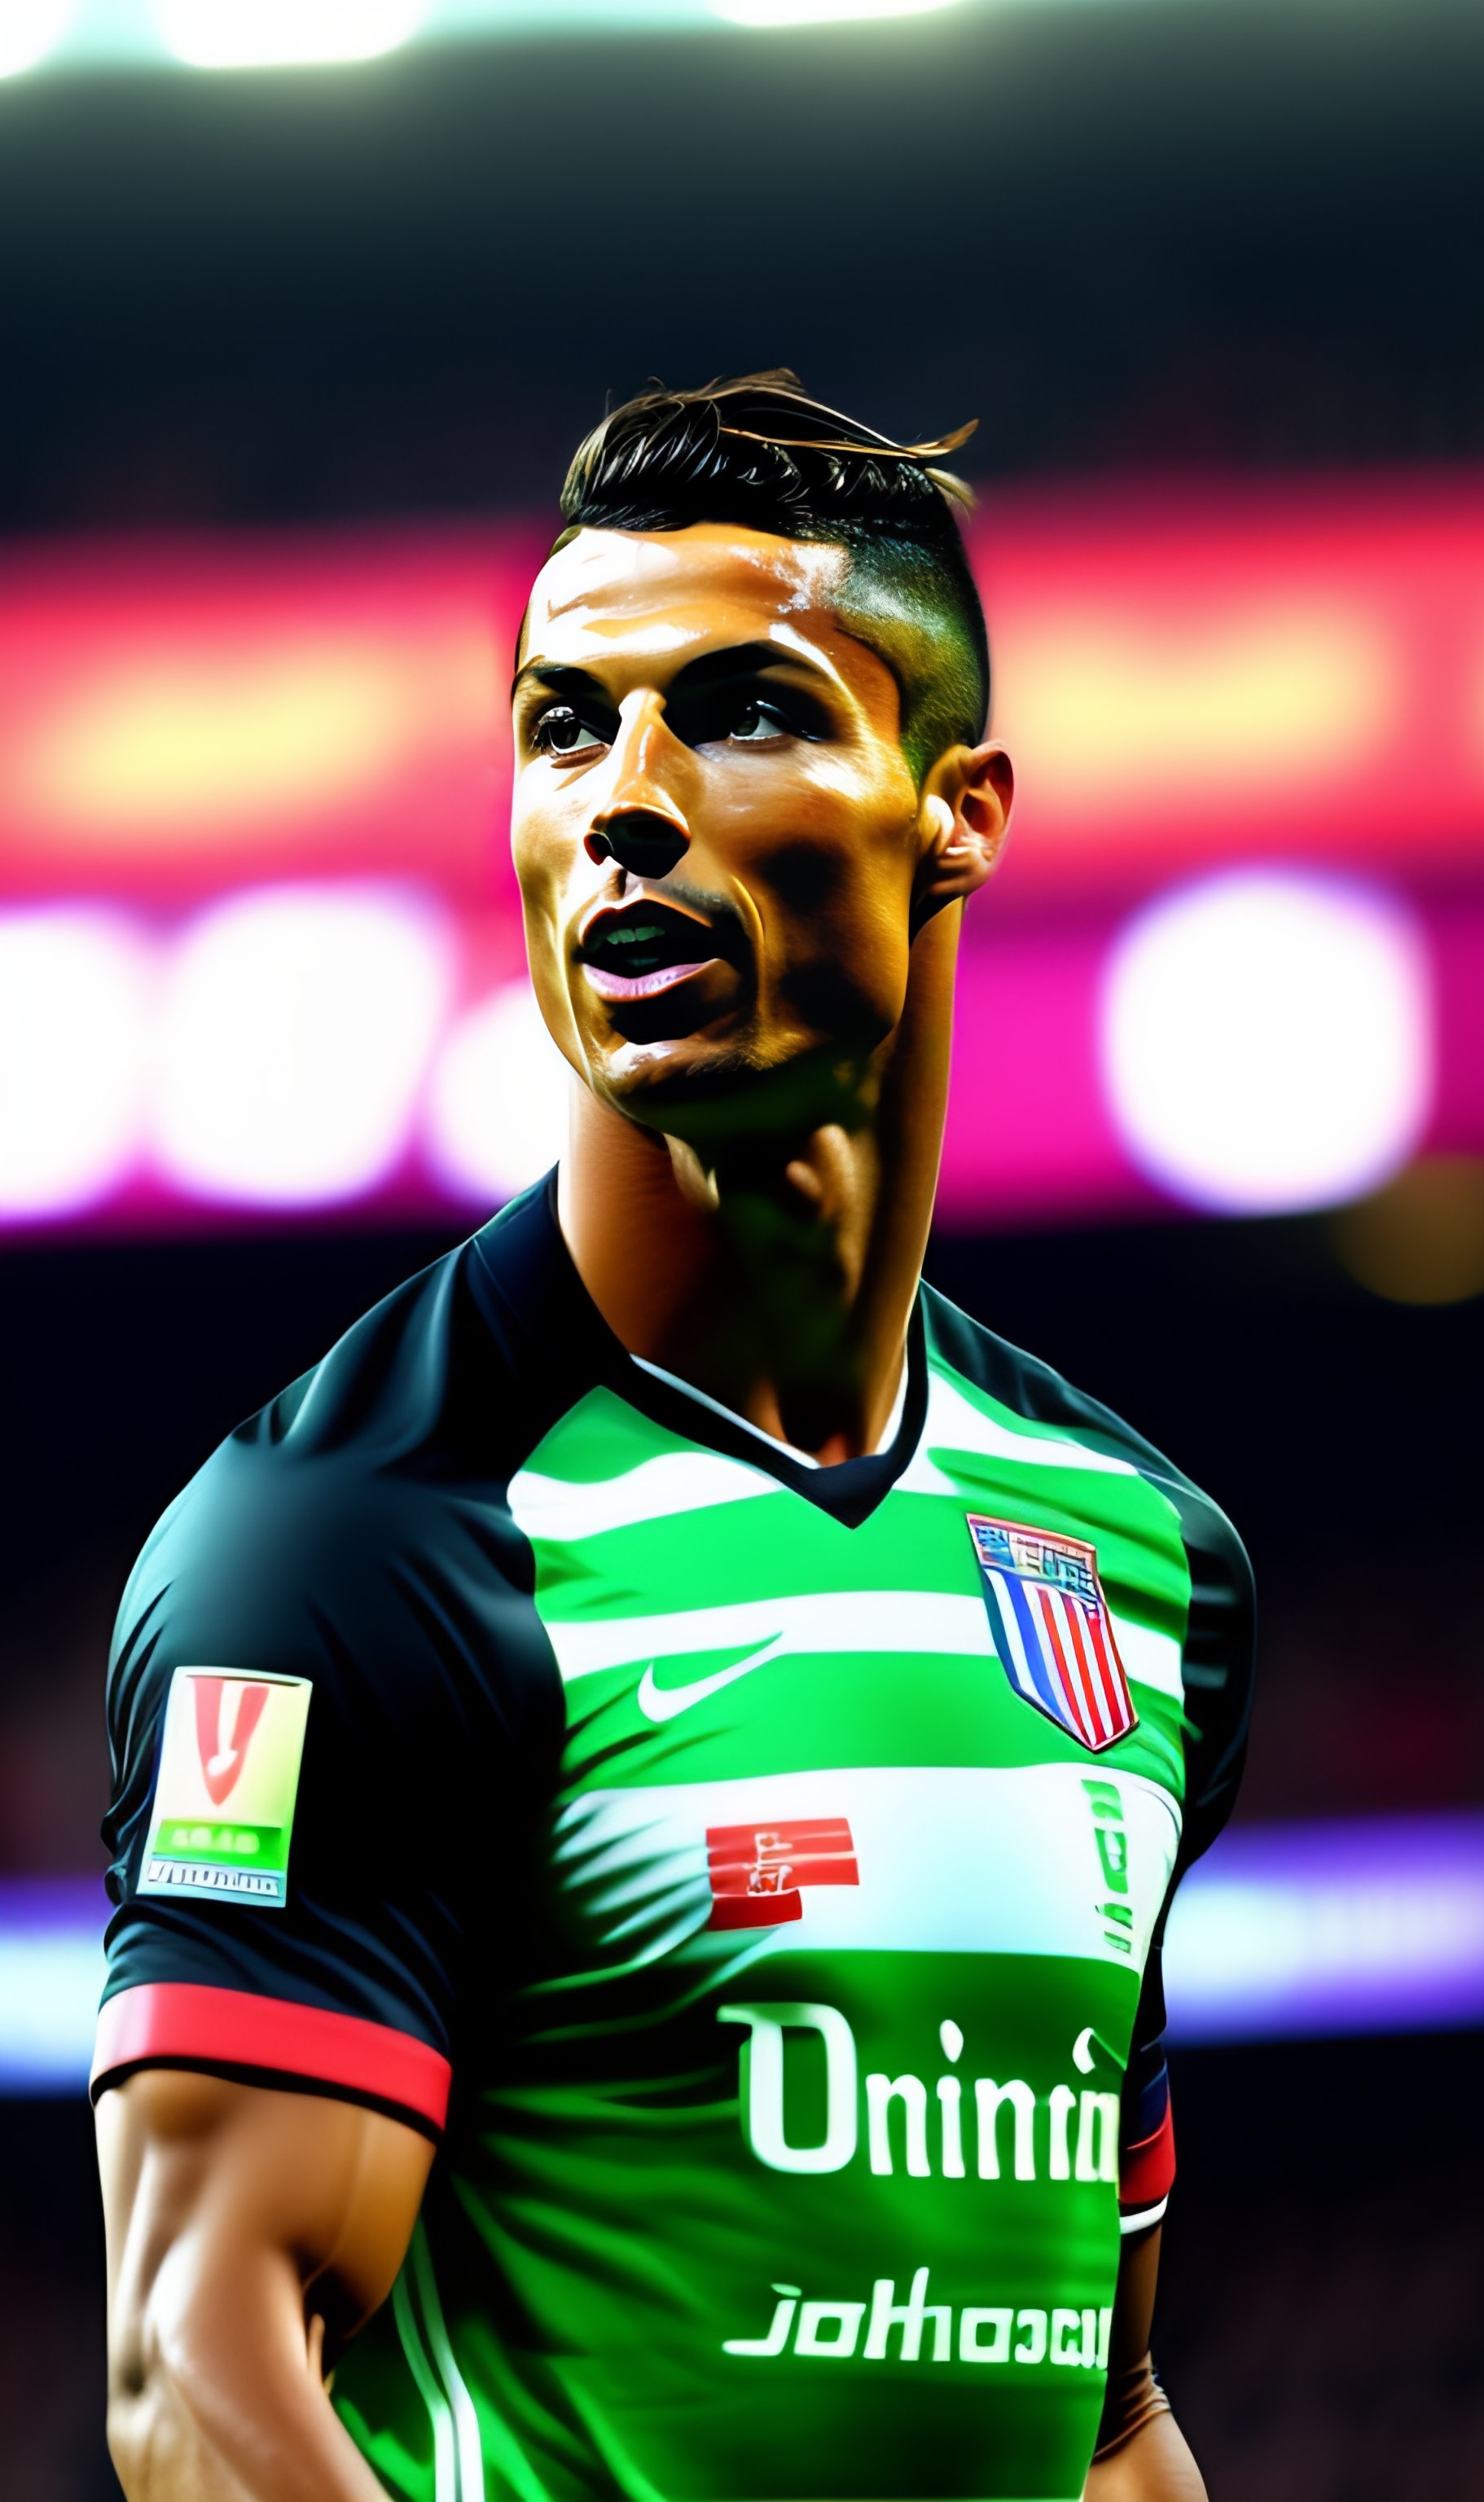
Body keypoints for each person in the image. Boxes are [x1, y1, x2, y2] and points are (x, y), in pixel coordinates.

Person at [94, 371, 1254, 2502]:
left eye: (739, 712)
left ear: (959, 813)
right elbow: (198, 2382)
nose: (624, 799)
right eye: (563, 728)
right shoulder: (351, 1548)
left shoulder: (1143, 1557)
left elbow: (1104, 2415)